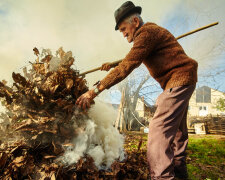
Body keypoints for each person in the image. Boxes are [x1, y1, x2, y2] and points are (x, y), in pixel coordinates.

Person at [76, 1, 198, 179]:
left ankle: (161, 177)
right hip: (185, 79)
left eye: (124, 28)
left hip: (179, 80)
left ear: (135, 21)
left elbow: (127, 66)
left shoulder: (146, 32)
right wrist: (111, 64)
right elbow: (130, 58)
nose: (123, 34)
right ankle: (180, 174)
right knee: (178, 132)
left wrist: (94, 90)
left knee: (158, 130)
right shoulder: (148, 35)